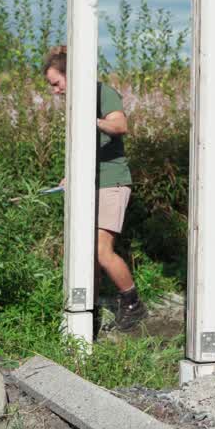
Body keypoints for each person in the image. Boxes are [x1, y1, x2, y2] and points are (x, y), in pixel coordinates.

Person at [42, 45, 148, 331]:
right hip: (91, 183)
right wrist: (70, 175)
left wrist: (91, 119)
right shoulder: (76, 104)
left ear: (70, 75)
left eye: (56, 83)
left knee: (101, 251)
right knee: (86, 251)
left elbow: (119, 125)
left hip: (111, 181)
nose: (54, 91)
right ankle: (92, 308)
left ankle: (133, 304)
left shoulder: (102, 93)